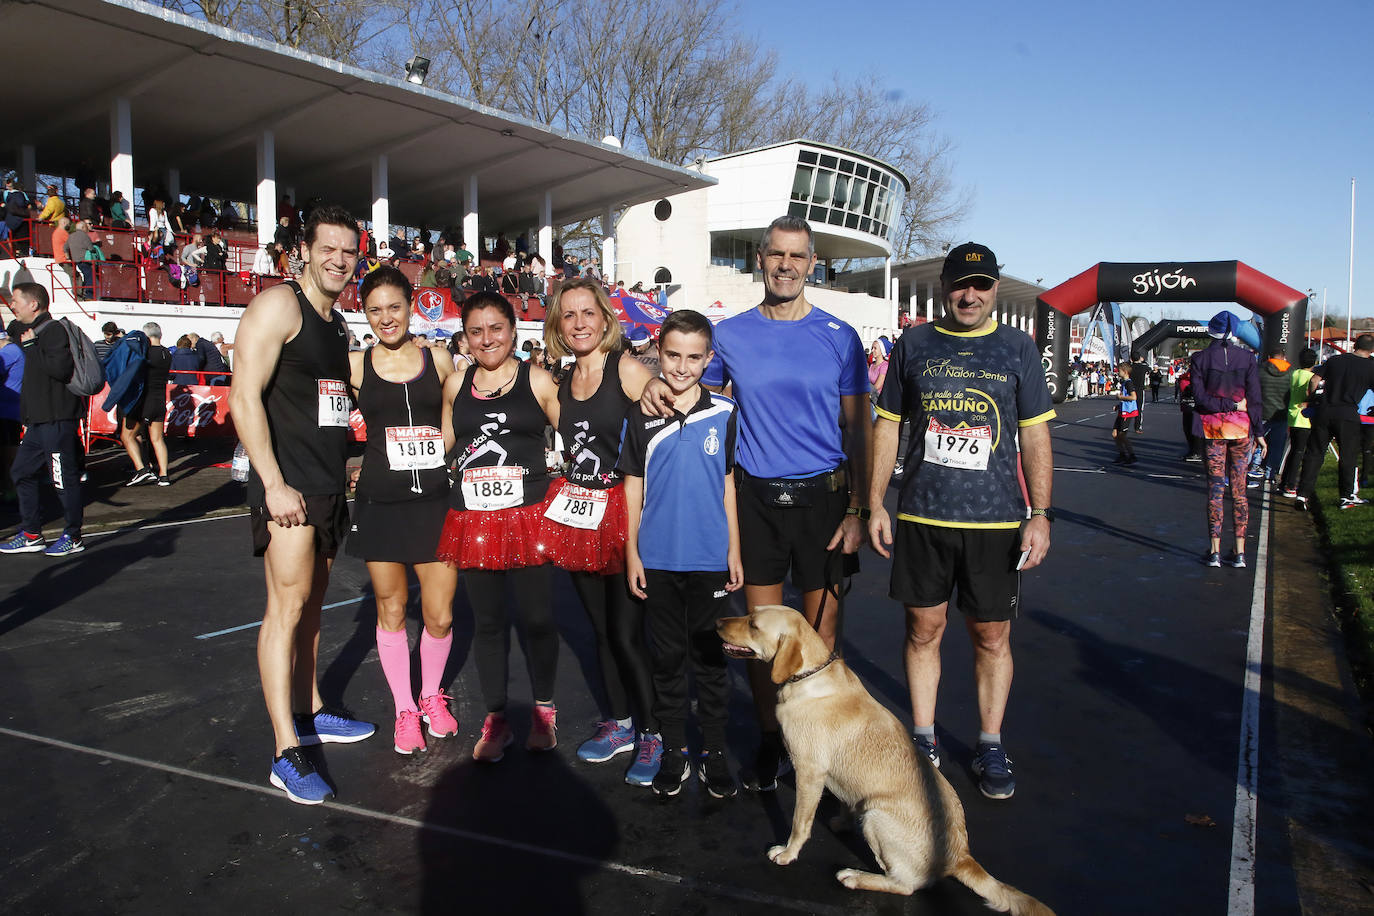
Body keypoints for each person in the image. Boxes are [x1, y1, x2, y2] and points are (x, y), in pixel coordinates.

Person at [638, 214, 869, 792]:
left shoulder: (840, 336)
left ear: (811, 264)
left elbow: (859, 427)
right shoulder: (732, 334)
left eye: (797, 257)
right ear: (759, 260)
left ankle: (821, 743)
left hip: (823, 501)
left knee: (820, 639)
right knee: (761, 638)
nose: (786, 265)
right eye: (776, 255)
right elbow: (687, 385)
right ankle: (773, 742)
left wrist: (861, 508)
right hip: (757, 502)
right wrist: (649, 383)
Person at [867, 242, 1054, 801]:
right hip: (923, 516)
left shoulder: (1018, 348)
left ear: (995, 288)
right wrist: (874, 502)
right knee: (923, 631)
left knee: (991, 637)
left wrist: (1040, 514)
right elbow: (887, 426)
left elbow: (1035, 434)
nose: (968, 295)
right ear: (944, 285)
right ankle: (923, 738)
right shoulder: (914, 344)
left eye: (980, 285)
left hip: (996, 522)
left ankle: (990, 741)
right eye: (958, 284)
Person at [227, 205, 376, 805]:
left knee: (313, 610)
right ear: (304, 251)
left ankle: (312, 712)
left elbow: (327, 406)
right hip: (288, 490)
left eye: (349, 252)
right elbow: (243, 397)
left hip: (326, 488)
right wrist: (271, 482)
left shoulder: (335, 323)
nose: (340, 260)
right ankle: (286, 750)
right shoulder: (278, 306)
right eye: (329, 249)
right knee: (284, 612)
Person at [539, 278, 662, 786]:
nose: (579, 323)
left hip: (624, 514)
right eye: (569, 316)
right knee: (600, 632)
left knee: (628, 634)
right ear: (558, 327)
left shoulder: (627, 370)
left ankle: (654, 733)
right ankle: (622, 723)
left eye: (588, 313)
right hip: (579, 514)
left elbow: (671, 424)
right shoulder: (559, 383)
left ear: (605, 319)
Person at [619, 309, 741, 798]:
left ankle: (713, 749)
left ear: (708, 359)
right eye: (673, 355)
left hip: (711, 556)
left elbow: (728, 482)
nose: (682, 366)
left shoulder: (726, 413)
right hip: (659, 558)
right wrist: (632, 552)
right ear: (659, 354)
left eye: (694, 357)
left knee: (711, 659)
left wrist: (734, 547)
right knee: (667, 658)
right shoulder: (640, 414)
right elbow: (633, 487)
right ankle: (674, 748)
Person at [437, 291, 563, 763]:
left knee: (537, 619)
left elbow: (578, 429)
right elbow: (444, 444)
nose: (486, 338)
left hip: (529, 517)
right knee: (488, 623)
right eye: (476, 330)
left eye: (496, 328)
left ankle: (544, 709)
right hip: (474, 520)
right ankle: (496, 718)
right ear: (465, 337)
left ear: (513, 330)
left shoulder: (538, 380)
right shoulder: (456, 383)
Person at [345, 266, 459, 756]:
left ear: (411, 306)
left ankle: (432, 695)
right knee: (390, 609)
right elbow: (326, 421)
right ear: (364, 312)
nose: (386, 318)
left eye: (394, 307)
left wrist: (441, 452)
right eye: (375, 310)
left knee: (439, 615)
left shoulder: (438, 358)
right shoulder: (354, 364)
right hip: (380, 503)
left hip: (436, 503)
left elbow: (460, 420)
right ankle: (404, 708)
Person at [0, 284, 86, 557]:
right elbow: (11, 330)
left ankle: (73, 535)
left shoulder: (52, 331)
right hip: (38, 421)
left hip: (57, 417)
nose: (12, 305)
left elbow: (60, 369)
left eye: (16, 301)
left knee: (63, 479)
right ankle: (31, 533)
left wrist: (31, 347)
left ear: (33, 305)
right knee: (21, 472)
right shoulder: (25, 330)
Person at [1190, 311, 1263, 567]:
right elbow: (1254, 398)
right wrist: (1260, 431)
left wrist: (1225, 404)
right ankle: (1240, 552)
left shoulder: (1199, 358)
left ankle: (1214, 551)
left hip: (1213, 429)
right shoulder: (1248, 358)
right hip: (1242, 429)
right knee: (1239, 490)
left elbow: (1199, 398)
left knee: (1215, 489)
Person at [1295, 333, 1374, 511]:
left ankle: (1303, 494)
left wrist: (1313, 399)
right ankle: (1346, 496)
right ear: (1371, 350)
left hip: (1325, 410)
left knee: (1315, 453)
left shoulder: (1335, 360)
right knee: (1348, 456)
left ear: (1354, 346)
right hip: (1348, 413)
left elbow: (1315, 379)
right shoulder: (1371, 366)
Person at [115, 323, 172, 486]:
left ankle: (142, 469)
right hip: (159, 401)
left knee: (127, 436)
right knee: (158, 439)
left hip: (143, 401)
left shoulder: (145, 353)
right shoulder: (167, 353)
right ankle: (164, 476)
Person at [1279, 348, 1318, 497]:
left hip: (1292, 414)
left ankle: (1284, 482)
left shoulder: (1295, 373)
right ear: (1314, 362)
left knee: (1294, 451)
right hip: (1304, 418)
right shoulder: (1311, 377)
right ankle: (1290, 485)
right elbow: (1309, 395)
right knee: (1299, 453)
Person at [1256, 346, 1293, 487]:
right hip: (1281, 413)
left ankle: (1254, 467)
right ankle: (1271, 473)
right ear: (1283, 358)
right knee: (1277, 445)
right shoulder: (1291, 372)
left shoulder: (1259, 370)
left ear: (1269, 357)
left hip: (1262, 411)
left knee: (1257, 442)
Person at [0, 328, 26, 503]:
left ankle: (14, 492)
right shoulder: (11, 350)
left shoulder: (8, 352)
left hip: (7, 412)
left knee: (7, 456)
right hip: (7, 411)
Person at [1113, 361, 1139, 465]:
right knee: (1115, 434)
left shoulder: (1129, 383)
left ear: (1125, 371)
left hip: (1128, 412)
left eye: (1119, 371)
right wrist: (1119, 405)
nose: (1118, 372)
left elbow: (1133, 397)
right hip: (1122, 410)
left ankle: (1132, 455)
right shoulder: (1123, 383)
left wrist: (1121, 397)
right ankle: (1122, 454)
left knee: (1122, 435)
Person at [1129, 355, 1148, 432]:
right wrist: (1142, 361)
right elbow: (1149, 368)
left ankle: (1124, 426)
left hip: (1131, 389)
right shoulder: (1143, 367)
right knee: (1139, 409)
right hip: (1140, 389)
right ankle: (1137, 427)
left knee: (1128, 408)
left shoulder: (1130, 367)